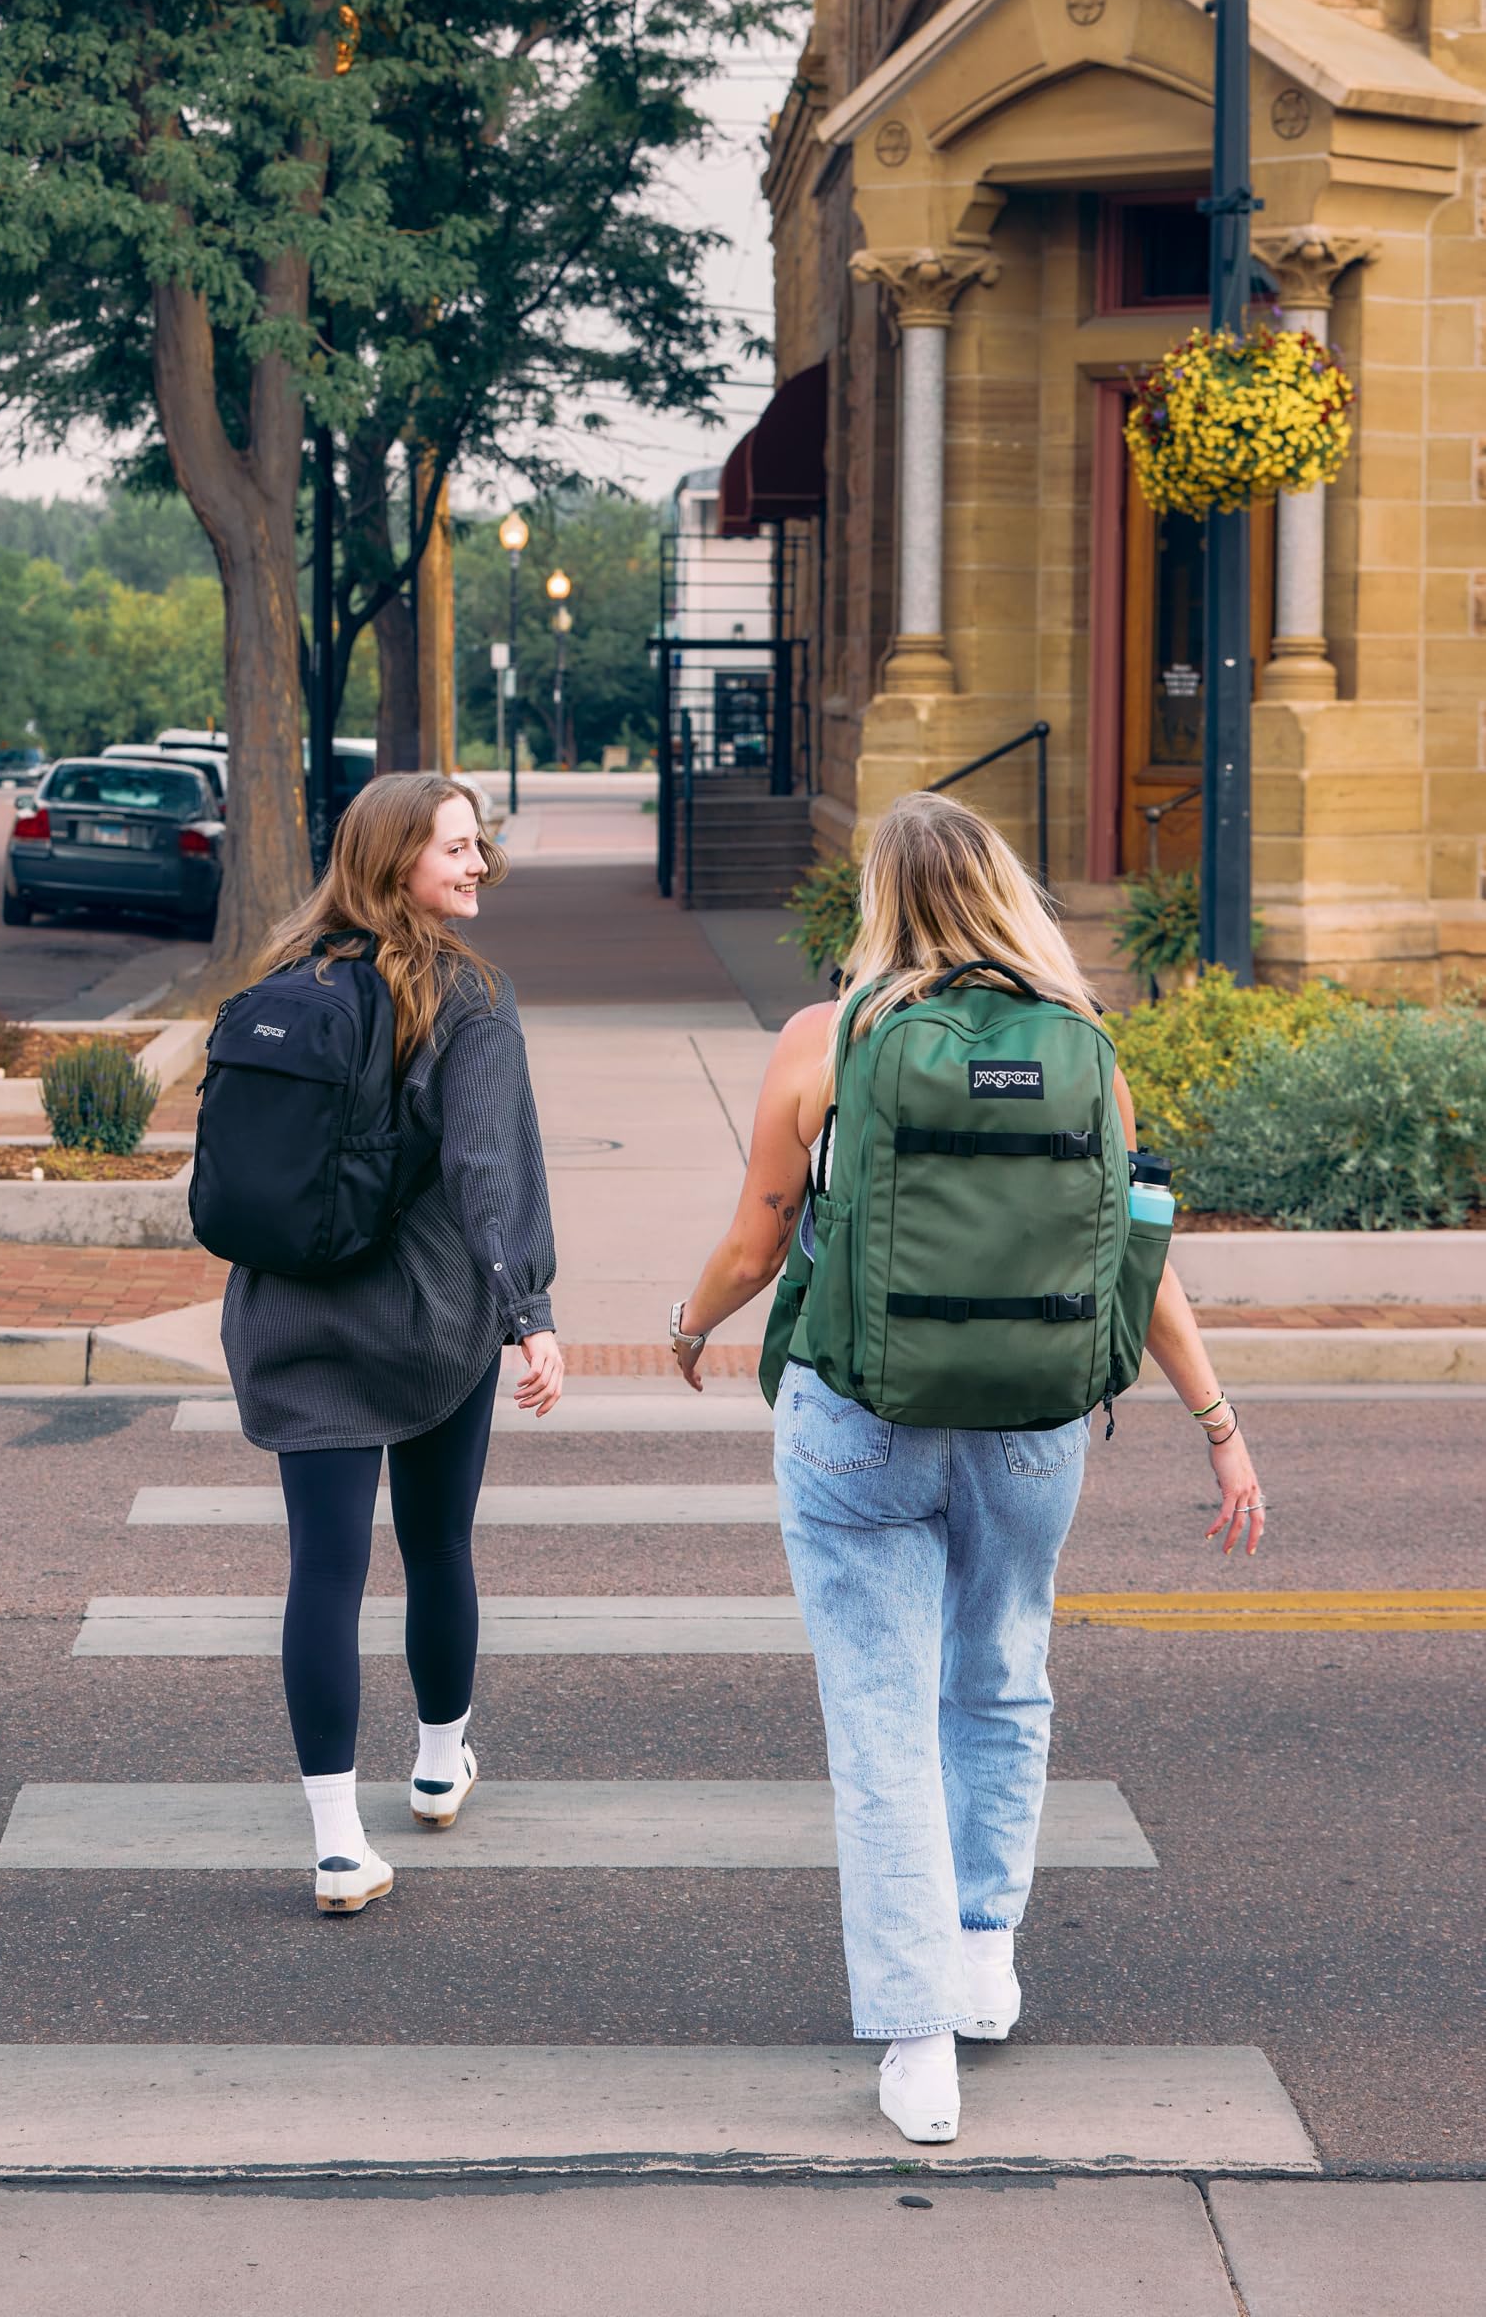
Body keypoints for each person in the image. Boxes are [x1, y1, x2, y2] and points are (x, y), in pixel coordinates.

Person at [668, 792, 1265, 2147]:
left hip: (860, 1420)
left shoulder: (832, 1039)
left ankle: (917, 2038)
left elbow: (760, 1245)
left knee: (881, 1717)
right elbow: (1136, 1257)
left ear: (881, 900)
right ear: (1005, 895)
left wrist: (691, 1323)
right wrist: (1219, 1425)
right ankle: (986, 1956)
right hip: (1032, 1431)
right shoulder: (1085, 1051)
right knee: (1000, 1675)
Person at [221, 773, 563, 1916]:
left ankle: (332, 1843)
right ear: (394, 862)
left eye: (477, 845)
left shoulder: (282, 976)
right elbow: (486, 1168)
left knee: (323, 1567)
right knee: (435, 1543)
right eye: (455, 849)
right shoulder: (467, 996)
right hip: (423, 1321)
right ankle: (434, 1761)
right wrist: (530, 1313)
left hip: (288, 1317)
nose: (477, 865)